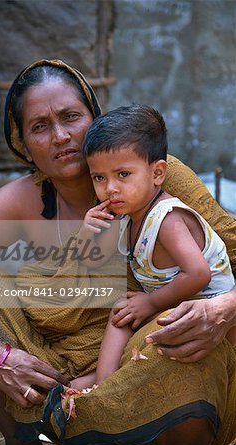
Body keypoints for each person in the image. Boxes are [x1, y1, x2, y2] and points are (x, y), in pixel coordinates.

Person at [0, 59, 235, 445]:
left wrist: (224, 307)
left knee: (172, 338)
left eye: (71, 117)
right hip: (57, 367)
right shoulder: (25, 198)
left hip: (145, 351)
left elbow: (225, 257)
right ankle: (23, 441)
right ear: (24, 146)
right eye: (40, 127)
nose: (60, 136)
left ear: (94, 118)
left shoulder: (155, 176)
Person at [77, 103, 235, 385]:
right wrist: (89, 234)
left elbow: (199, 274)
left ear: (158, 173)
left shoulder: (167, 220)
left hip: (208, 310)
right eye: (99, 177)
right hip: (174, 303)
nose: (110, 188)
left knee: (136, 318)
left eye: (123, 174)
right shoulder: (126, 218)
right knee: (120, 312)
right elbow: (92, 264)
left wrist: (150, 302)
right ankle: (103, 390)